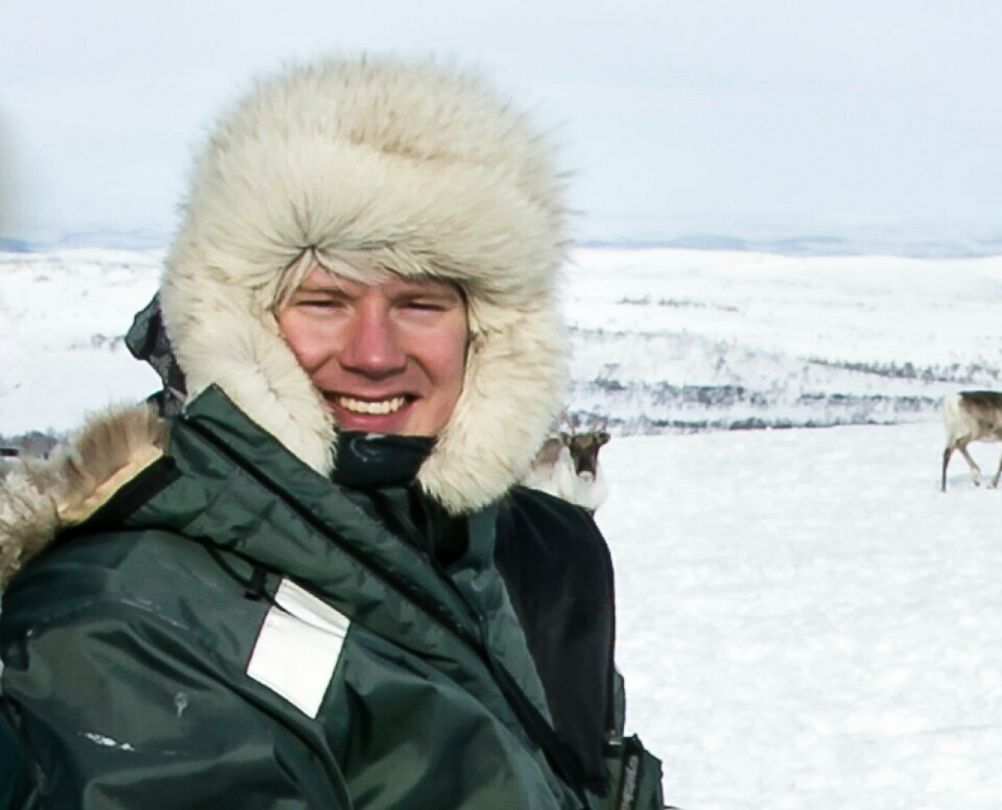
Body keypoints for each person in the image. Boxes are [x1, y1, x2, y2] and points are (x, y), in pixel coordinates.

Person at [0, 56, 664, 809]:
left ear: (489, 333)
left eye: (420, 304)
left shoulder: (529, 558)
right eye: (323, 302)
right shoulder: (126, 621)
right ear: (235, 320)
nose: (374, 355)